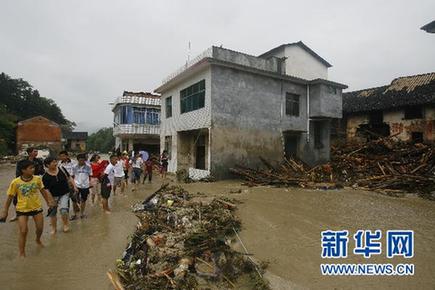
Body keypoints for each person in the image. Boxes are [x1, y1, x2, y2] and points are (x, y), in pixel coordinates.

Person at [0, 160, 55, 257]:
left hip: (36, 208)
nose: (33, 169)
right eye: (31, 168)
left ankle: (38, 240)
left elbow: (43, 191)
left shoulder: (37, 179)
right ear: (23, 170)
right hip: (22, 209)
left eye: (33, 167)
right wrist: (5, 211)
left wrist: (48, 203)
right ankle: (22, 253)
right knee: (23, 231)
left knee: (39, 228)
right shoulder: (15, 182)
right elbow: (10, 197)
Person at [43, 157, 77, 234]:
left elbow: (69, 177)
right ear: (47, 165)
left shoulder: (62, 169)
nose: (55, 164)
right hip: (53, 196)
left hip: (64, 193)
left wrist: (74, 186)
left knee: (64, 210)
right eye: (53, 162)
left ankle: (65, 225)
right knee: (53, 213)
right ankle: (54, 228)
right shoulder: (45, 176)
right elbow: (46, 189)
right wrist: (50, 200)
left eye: (56, 162)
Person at [10, 147, 45, 222]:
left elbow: (42, 171)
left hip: (34, 181)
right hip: (22, 181)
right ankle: (17, 214)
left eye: (37, 151)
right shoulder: (22, 162)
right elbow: (18, 172)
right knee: (16, 198)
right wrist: (20, 181)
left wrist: (38, 175)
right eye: (34, 151)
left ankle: (33, 213)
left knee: (33, 197)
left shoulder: (39, 161)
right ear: (29, 153)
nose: (36, 153)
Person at [58, 151, 80, 220]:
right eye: (60, 156)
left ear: (67, 156)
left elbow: (76, 172)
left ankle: (75, 214)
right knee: (65, 199)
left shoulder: (73, 162)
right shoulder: (59, 164)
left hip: (72, 182)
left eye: (63, 156)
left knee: (74, 199)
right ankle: (66, 215)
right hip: (63, 184)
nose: (62, 157)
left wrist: (74, 184)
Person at [72, 154, 92, 219]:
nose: (82, 162)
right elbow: (72, 176)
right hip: (76, 185)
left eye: (83, 160)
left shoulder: (88, 166)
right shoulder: (74, 166)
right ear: (78, 160)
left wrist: (90, 183)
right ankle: (75, 214)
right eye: (80, 160)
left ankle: (82, 214)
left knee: (83, 200)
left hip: (85, 186)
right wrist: (73, 185)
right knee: (74, 200)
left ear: (85, 160)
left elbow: (90, 175)